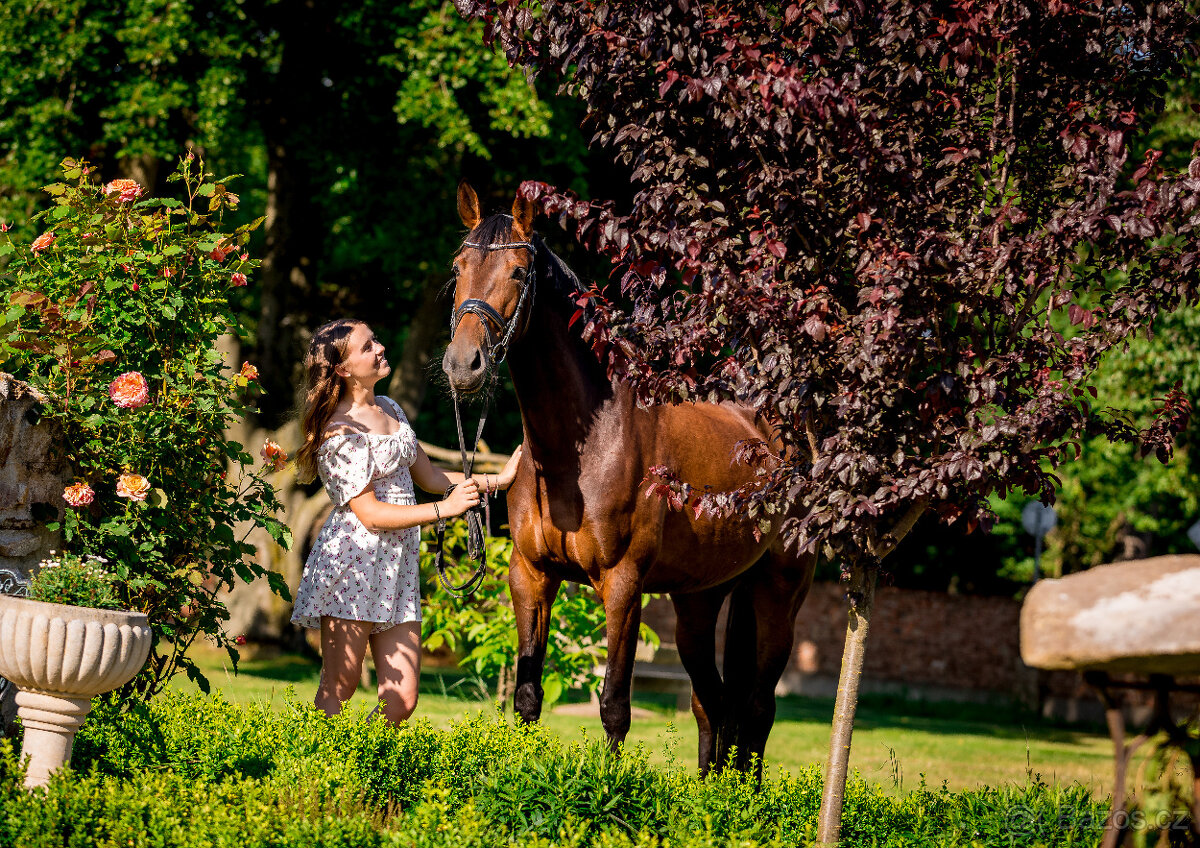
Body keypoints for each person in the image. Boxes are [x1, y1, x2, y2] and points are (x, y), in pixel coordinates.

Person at [291, 318, 521, 724]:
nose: (379, 348)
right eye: (367, 347)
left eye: (375, 339)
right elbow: (371, 514)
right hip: (353, 565)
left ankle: (362, 768)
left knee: (402, 699)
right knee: (340, 686)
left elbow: (432, 478)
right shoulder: (337, 432)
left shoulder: (391, 410)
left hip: (396, 567)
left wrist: (496, 481)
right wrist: (442, 511)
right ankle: (317, 775)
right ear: (343, 369)